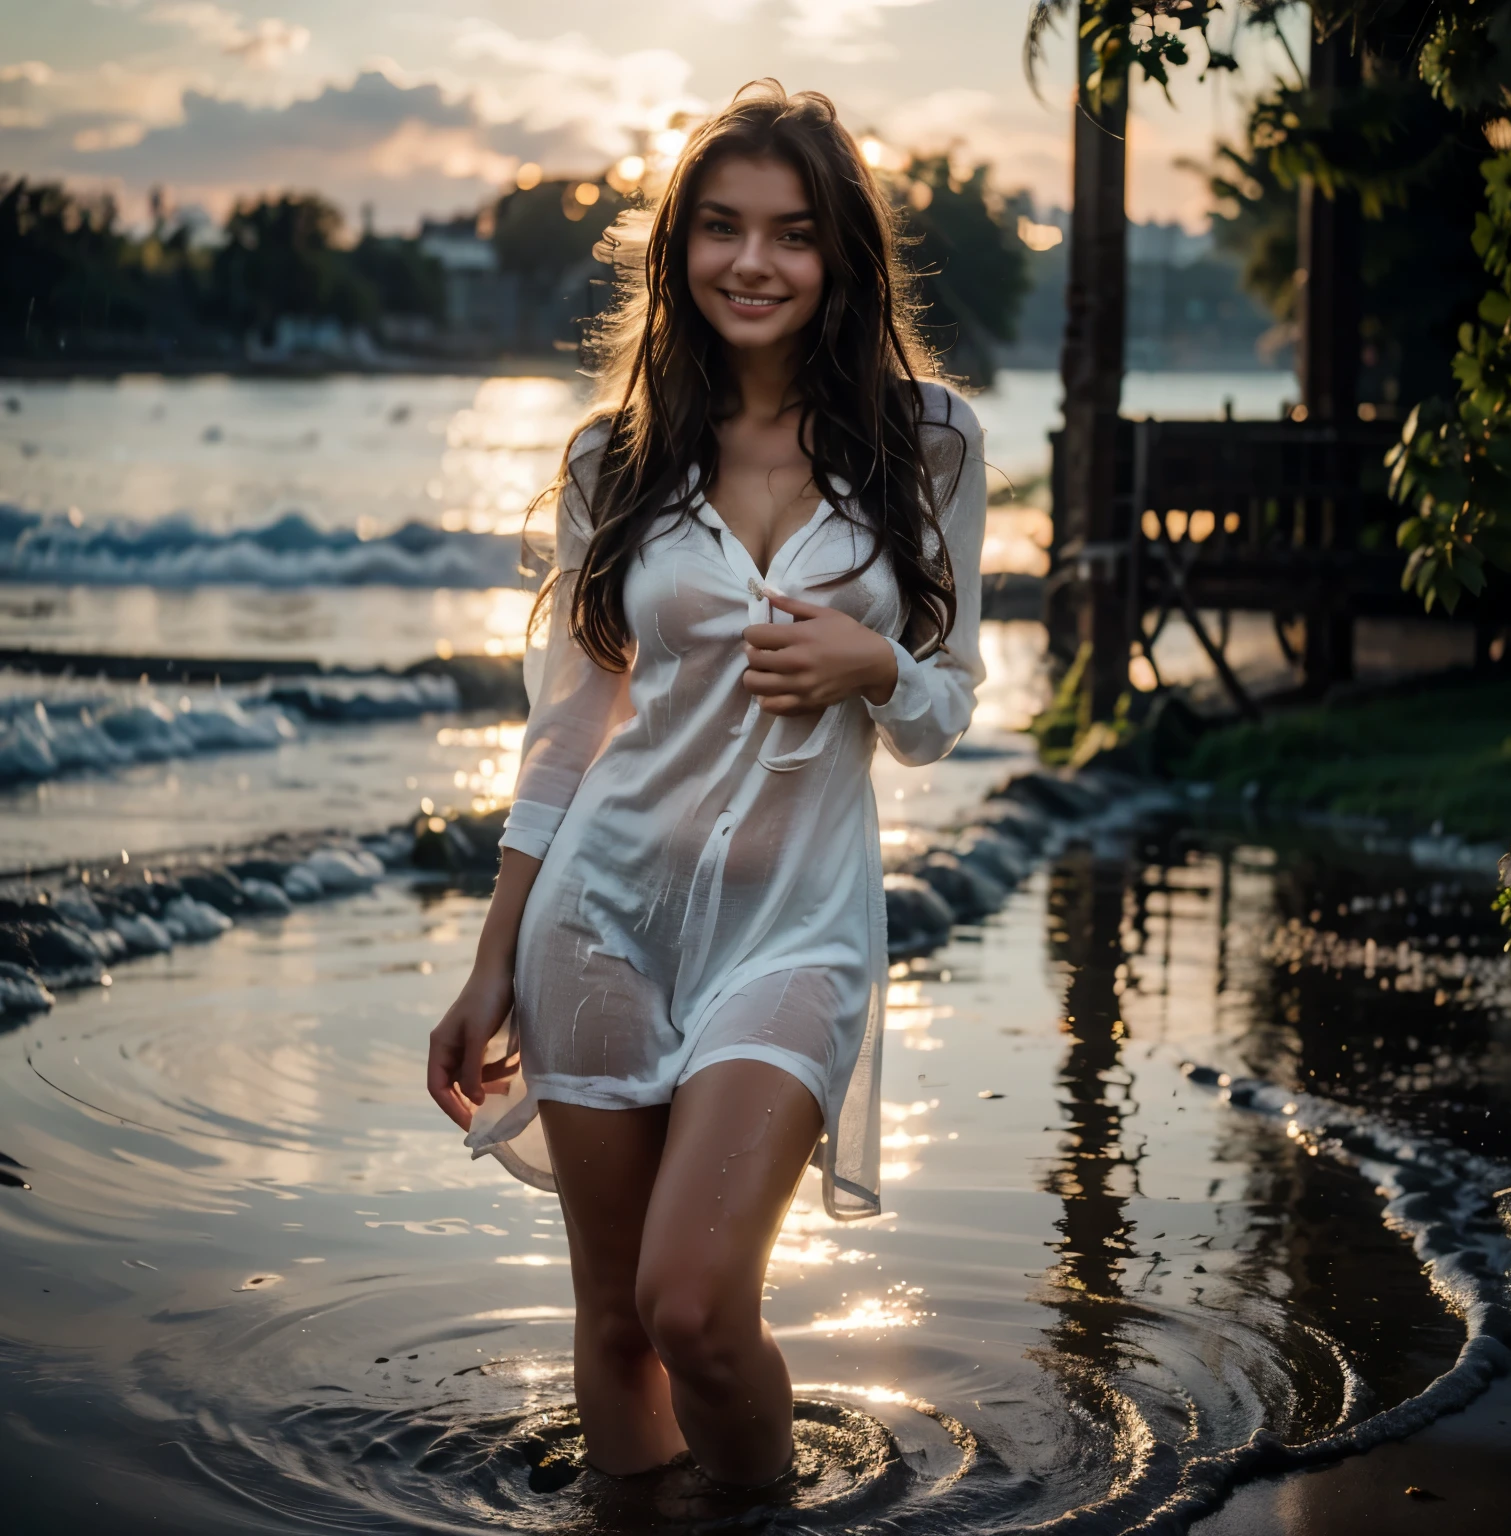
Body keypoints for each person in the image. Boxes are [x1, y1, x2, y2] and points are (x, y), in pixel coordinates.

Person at [427, 80, 985, 1490]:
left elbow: (942, 712)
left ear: (841, 256)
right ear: (679, 249)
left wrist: (875, 664)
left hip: (793, 931)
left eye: (792, 235)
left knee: (696, 1310)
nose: (754, 263)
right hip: (600, 918)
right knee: (617, 1326)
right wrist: (491, 958)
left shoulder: (930, 443)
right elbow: (567, 731)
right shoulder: (610, 461)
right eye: (722, 230)